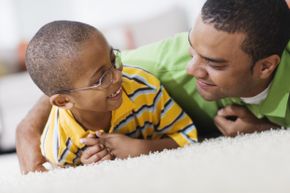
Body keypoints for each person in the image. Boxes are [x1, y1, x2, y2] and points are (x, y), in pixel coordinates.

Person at [16, 0, 290, 173]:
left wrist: (266, 129)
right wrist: (28, 127)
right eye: (192, 49)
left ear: (266, 67)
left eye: (214, 63)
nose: (190, 68)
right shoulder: (156, 66)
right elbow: (72, 78)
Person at [24, 21, 197, 168]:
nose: (117, 76)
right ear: (63, 101)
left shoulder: (144, 88)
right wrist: (83, 166)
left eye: (114, 60)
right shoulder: (58, 145)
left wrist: (140, 148)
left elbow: (188, 137)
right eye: (101, 78)